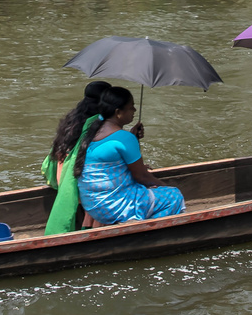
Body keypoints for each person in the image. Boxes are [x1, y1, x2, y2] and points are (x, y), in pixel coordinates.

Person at [77, 86, 186, 225]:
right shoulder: (125, 138)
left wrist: (133, 137)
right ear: (118, 112)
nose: (134, 111)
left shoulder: (92, 130)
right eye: (131, 107)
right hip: (113, 207)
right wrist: (164, 187)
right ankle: (142, 231)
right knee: (174, 196)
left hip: (93, 206)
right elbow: (142, 176)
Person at [41, 81, 111, 235]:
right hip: (75, 185)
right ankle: (93, 226)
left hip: (59, 177)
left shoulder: (73, 118)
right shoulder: (98, 124)